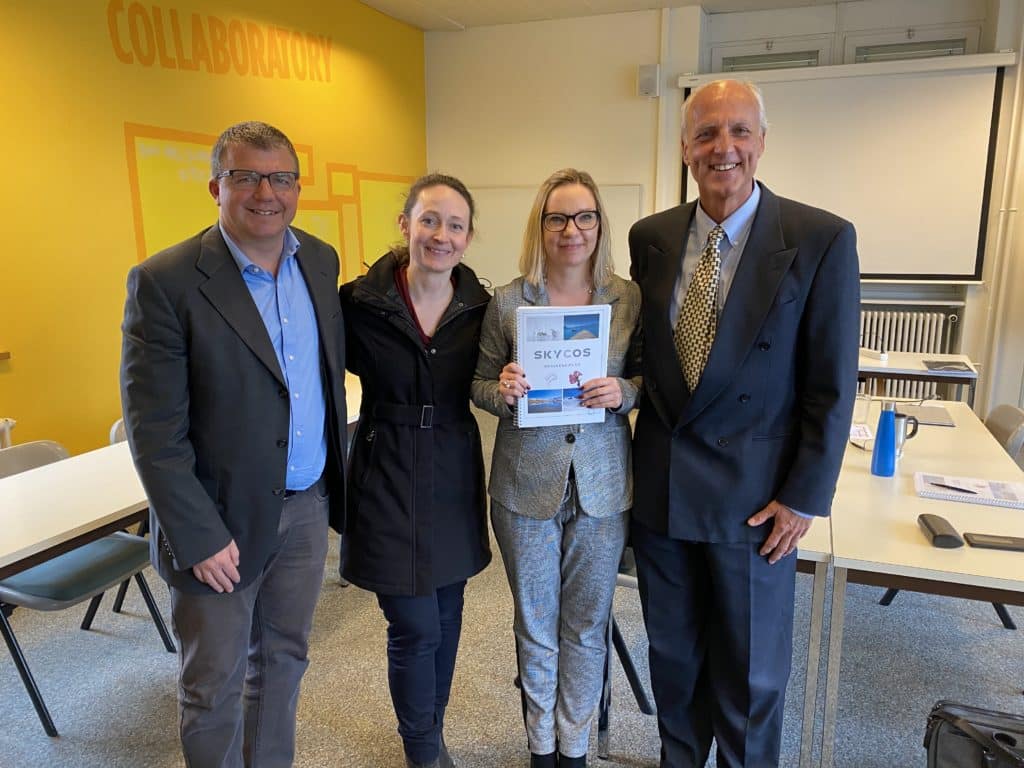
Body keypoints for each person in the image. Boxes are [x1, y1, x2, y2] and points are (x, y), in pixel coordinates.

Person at [627, 79, 860, 768]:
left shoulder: (820, 239)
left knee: (751, 679)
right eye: (705, 133)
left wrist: (804, 497)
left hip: (758, 503)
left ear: (761, 141)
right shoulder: (651, 237)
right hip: (666, 494)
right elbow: (644, 355)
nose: (721, 147)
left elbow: (830, 386)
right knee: (674, 664)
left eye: (737, 131)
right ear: (685, 147)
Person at [120, 121, 348, 767]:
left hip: (304, 507)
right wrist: (197, 537)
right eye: (246, 177)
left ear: (298, 187)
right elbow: (154, 432)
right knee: (213, 687)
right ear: (216, 187)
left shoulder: (319, 260)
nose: (265, 193)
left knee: (283, 662)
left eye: (281, 178)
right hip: (218, 527)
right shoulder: (165, 281)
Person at [472, 168, 642, 768]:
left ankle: (574, 749)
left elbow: (648, 380)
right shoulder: (509, 301)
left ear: (599, 224)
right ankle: (541, 747)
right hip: (526, 487)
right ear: (540, 226)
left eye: (584, 217)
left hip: (601, 486)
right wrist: (503, 390)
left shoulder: (627, 299)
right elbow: (478, 383)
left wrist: (624, 391)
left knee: (588, 625)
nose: (572, 230)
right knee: (537, 623)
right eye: (558, 218)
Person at [339, 174, 491, 768]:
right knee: (414, 624)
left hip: (452, 466)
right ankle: (423, 751)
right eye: (429, 220)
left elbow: (500, 376)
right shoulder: (359, 303)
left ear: (469, 237)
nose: (440, 235)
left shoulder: (482, 308)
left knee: (447, 618)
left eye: (455, 225)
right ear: (405, 224)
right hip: (386, 465)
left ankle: (433, 729)